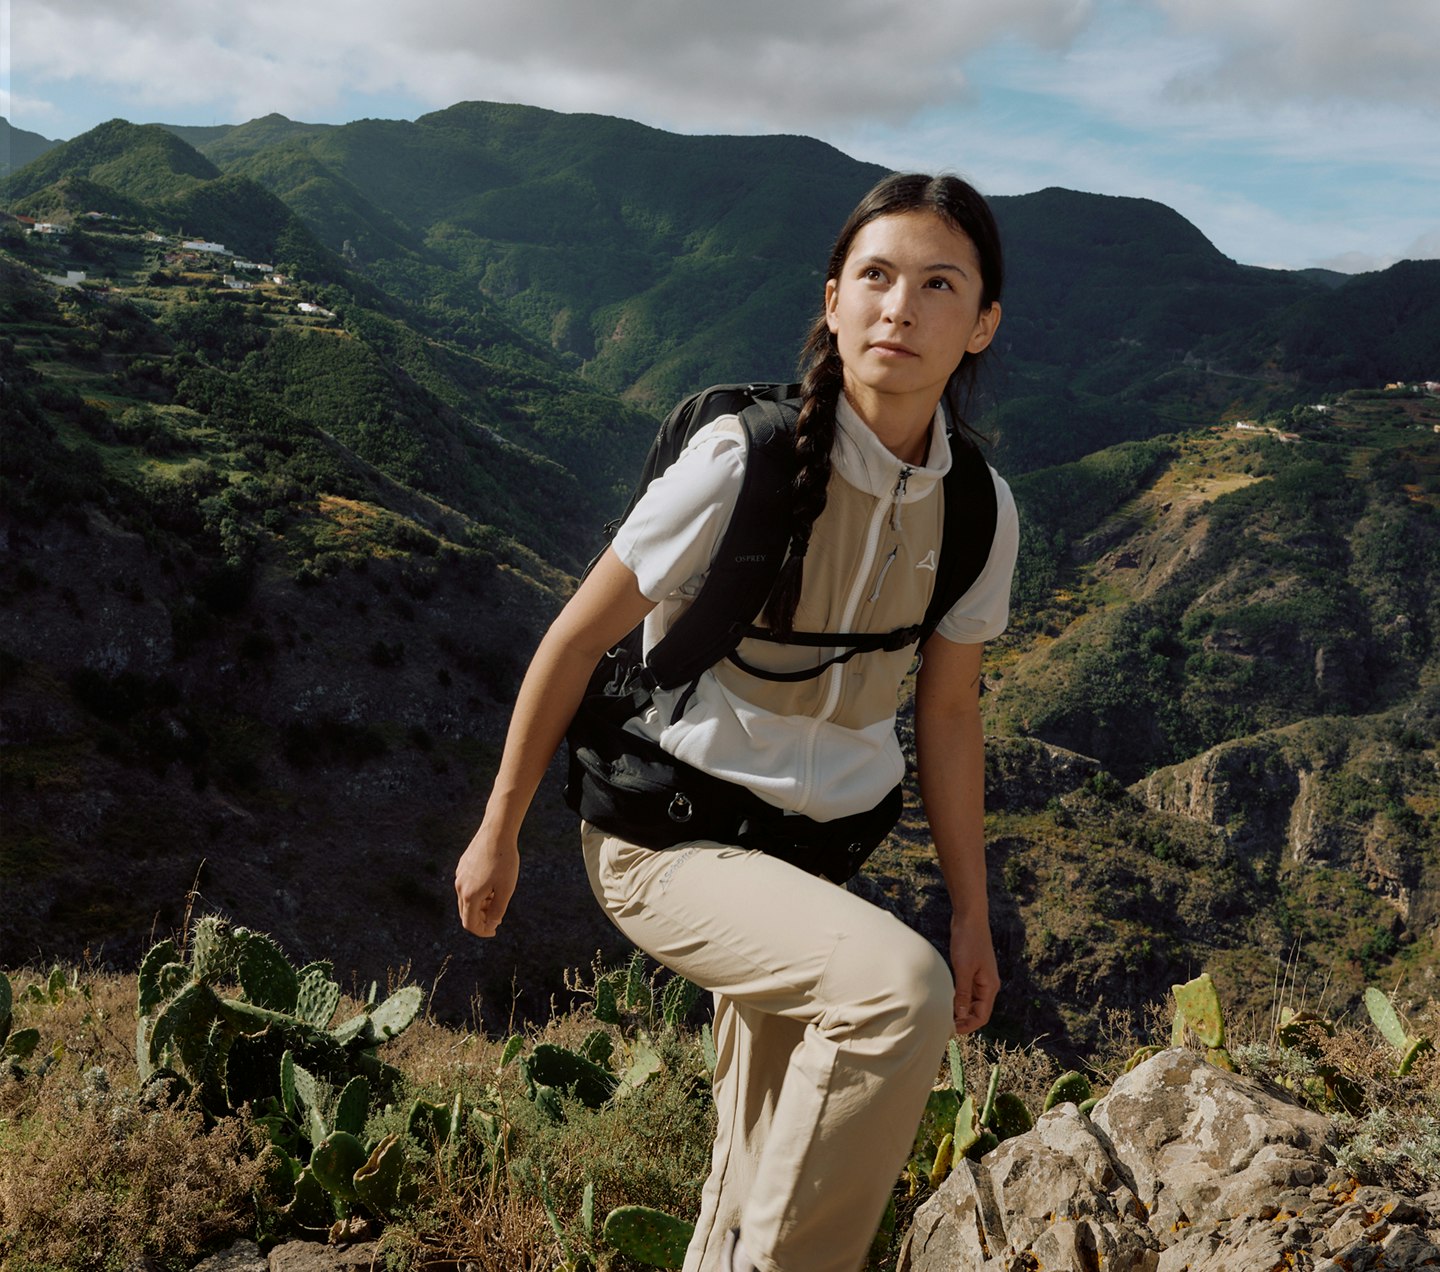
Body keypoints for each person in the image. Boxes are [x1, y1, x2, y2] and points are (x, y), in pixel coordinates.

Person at [456, 171, 1018, 1272]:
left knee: (764, 1155)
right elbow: (574, 640)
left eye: (938, 285)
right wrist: (500, 827)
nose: (901, 308)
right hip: (668, 829)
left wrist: (973, 911)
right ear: (833, 300)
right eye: (876, 277)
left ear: (982, 324)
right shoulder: (745, 461)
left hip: (810, 857)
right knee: (894, 998)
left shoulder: (980, 510)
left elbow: (949, 714)